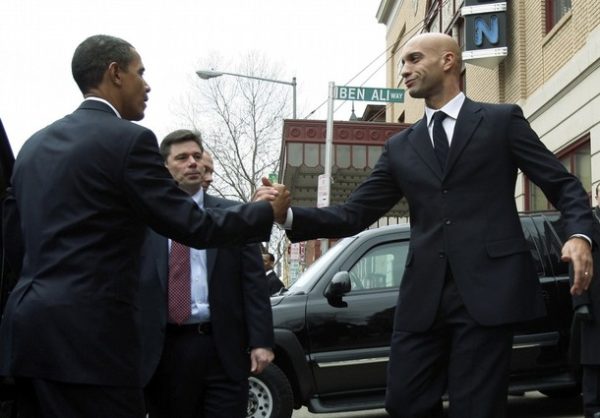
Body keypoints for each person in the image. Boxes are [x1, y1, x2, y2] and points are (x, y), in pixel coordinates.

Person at [269, 32, 594, 417]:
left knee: (476, 408)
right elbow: (355, 213)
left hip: (488, 291)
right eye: (402, 62)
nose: (404, 70)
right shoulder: (400, 147)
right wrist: (287, 215)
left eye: (414, 59)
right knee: (405, 403)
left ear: (448, 61)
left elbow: (561, 182)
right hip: (423, 297)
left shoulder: (500, 121)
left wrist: (579, 235)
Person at [0, 34, 288, 418]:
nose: (147, 84)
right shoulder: (129, 141)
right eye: (141, 72)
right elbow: (191, 225)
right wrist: (263, 213)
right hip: (93, 343)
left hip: (28, 337)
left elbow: (13, 245)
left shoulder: (33, 147)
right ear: (115, 73)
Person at [141, 129, 275, 417]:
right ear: (165, 166)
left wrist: (261, 341)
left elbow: (253, 282)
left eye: (197, 156)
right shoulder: (145, 220)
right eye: (182, 157)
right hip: (165, 350)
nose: (192, 162)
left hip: (222, 347)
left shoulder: (234, 215)